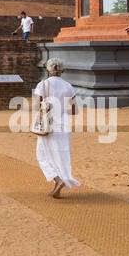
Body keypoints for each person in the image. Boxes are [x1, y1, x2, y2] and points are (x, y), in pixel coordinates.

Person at [33, 59, 79, 197]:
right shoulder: (68, 86)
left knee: (42, 155)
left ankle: (58, 180)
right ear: (62, 70)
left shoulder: (42, 85)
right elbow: (74, 110)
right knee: (61, 155)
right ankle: (61, 180)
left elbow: (37, 107)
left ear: (48, 69)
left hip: (48, 125)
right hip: (63, 125)